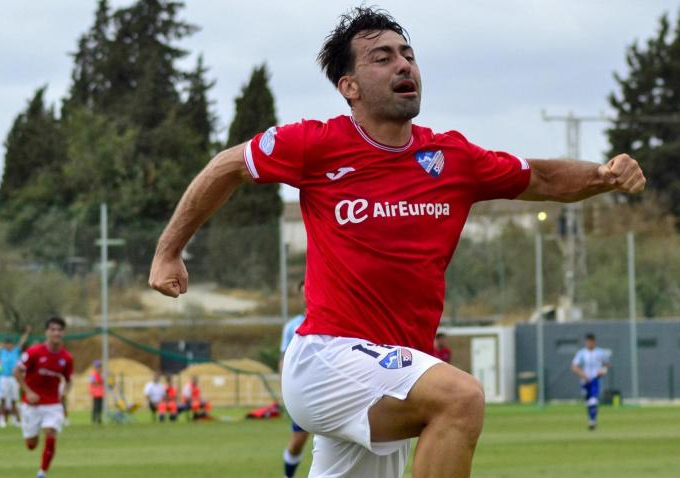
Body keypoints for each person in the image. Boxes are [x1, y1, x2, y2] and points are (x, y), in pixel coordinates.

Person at [148, 7, 645, 477]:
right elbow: (228, 165)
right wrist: (169, 251)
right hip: (326, 357)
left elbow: (541, 177)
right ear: (350, 87)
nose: (402, 64)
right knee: (460, 398)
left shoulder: (451, 158)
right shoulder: (316, 144)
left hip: (390, 372)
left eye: (407, 54)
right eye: (381, 57)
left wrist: (603, 175)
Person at [14, 317, 74, 478]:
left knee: (51, 433)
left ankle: (42, 473)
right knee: (31, 445)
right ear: (47, 332)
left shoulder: (66, 358)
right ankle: (32, 437)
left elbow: (68, 380)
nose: (56, 332)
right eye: (52, 329)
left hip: (53, 405)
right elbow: (17, 372)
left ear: (63, 333)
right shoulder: (34, 352)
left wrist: (65, 393)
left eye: (59, 330)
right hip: (31, 405)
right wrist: (28, 391)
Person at [280, 280, 310, 478]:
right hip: (303, 392)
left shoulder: (335, 319)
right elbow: (283, 360)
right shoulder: (292, 326)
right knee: (297, 442)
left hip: (329, 389)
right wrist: (284, 389)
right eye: (303, 292)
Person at [0, 326, 31, 428]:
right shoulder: (2, 351)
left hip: (14, 378)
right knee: (3, 399)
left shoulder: (16, 351)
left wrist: (27, 332)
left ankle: (16, 420)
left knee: (13, 400)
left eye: (9, 344)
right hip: (4, 378)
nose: (7, 346)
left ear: (12, 344)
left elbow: (22, 341)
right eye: (5, 344)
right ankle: (2, 420)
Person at [571, 334, 610, 430]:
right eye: (588, 341)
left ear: (594, 342)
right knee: (589, 401)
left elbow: (607, 365)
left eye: (592, 341)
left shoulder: (600, 353)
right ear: (586, 342)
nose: (590, 343)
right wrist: (583, 375)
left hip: (596, 380)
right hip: (585, 380)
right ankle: (592, 419)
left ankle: (592, 421)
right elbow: (574, 367)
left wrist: (603, 371)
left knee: (593, 400)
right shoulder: (581, 353)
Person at [89, 360, 105, 424]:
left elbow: (102, 382)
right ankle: (94, 418)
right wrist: (100, 382)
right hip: (95, 393)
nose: (100, 368)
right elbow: (94, 382)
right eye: (98, 367)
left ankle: (99, 418)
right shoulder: (92, 374)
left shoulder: (100, 374)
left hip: (101, 393)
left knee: (100, 407)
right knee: (96, 406)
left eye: (100, 367)